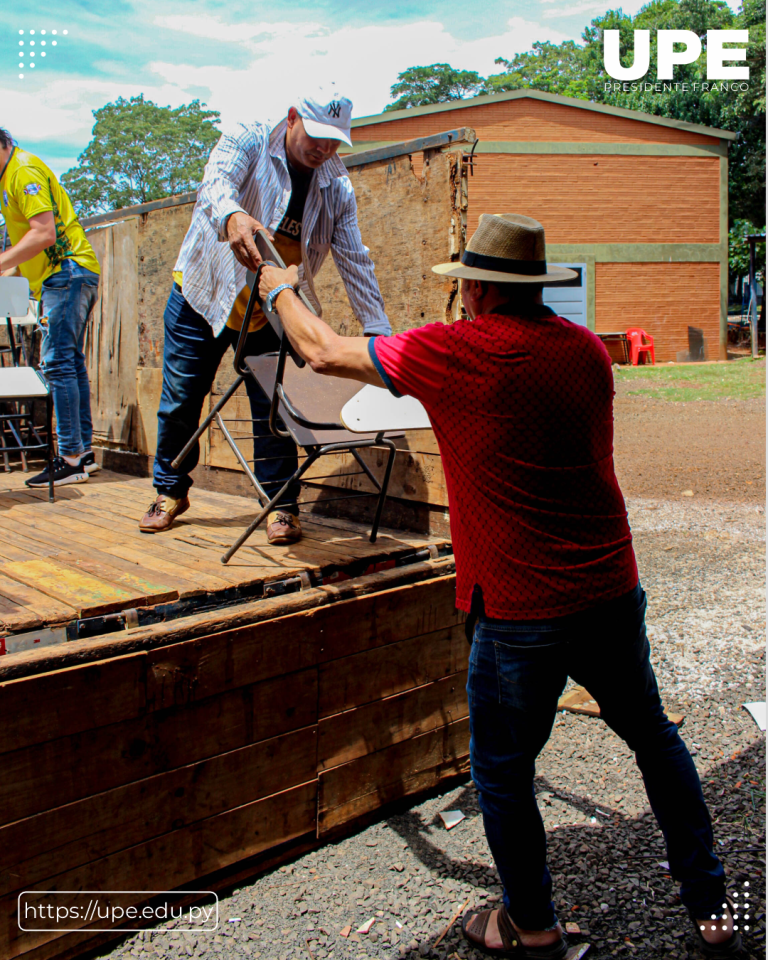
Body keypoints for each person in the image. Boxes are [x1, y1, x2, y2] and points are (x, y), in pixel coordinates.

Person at [255, 214, 740, 960]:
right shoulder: (584, 353)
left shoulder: (456, 353)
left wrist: (280, 287)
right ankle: (711, 906)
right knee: (654, 737)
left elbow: (319, 350)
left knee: (504, 772)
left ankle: (534, 927)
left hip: (520, 608)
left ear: (476, 289)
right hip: (609, 587)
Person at [139, 90, 391, 544]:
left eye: (335, 142)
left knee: (275, 409)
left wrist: (379, 335)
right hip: (204, 295)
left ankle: (280, 506)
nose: (324, 150)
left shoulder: (336, 186)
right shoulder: (248, 138)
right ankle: (170, 490)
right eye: (317, 137)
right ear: (293, 118)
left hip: (271, 308)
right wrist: (233, 213)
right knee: (180, 401)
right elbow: (215, 183)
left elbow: (355, 259)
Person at [0, 127, 101, 487]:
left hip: (66, 272)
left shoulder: (21, 171)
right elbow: (24, 250)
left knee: (57, 363)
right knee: (70, 363)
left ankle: (71, 458)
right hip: (72, 273)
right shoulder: (10, 176)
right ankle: (83, 455)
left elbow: (43, 234)